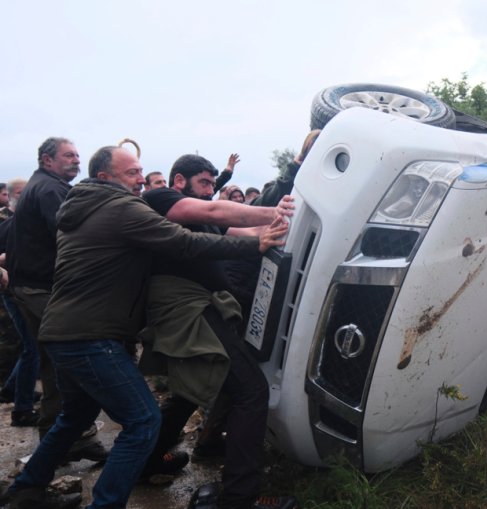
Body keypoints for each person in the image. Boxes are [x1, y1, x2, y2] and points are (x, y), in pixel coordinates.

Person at [1, 145, 288, 509]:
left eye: (140, 172)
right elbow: (182, 241)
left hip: (64, 331)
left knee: (74, 417)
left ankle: (27, 489)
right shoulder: (119, 207)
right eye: (133, 173)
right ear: (105, 178)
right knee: (142, 421)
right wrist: (256, 245)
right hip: (91, 336)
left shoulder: (83, 207)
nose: (141, 179)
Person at [141, 154, 297, 508]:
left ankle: (146, 461)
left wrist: (289, 222)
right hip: (188, 308)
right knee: (251, 391)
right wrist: (276, 212)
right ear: (180, 181)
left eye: (214, 183)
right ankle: (241, 498)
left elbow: (248, 231)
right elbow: (215, 213)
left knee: (191, 391)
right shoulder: (161, 199)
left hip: (205, 306)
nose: (213, 191)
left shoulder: (203, 216)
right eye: (206, 184)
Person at [4, 137, 108, 461]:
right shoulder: (50, 190)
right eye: (68, 155)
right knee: (75, 362)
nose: (76, 160)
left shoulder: (43, 186)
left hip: (32, 289)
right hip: (42, 290)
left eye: (78, 155)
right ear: (47, 160)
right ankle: (72, 439)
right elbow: (72, 234)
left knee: (55, 366)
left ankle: (58, 443)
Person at [0, 176, 40, 426]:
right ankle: (22, 409)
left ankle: (11, 389)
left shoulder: (23, 223)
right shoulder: (7, 225)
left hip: (23, 289)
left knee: (31, 345)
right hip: (13, 291)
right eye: (21, 191)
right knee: (33, 348)